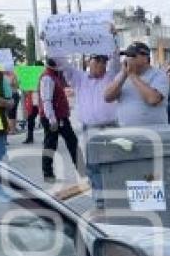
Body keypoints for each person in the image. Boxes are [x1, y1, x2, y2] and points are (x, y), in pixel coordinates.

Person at [52, 41, 121, 199]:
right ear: (88, 61)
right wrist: (51, 42)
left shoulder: (111, 76)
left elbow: (116, 59)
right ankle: (99, 199)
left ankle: (115, 197)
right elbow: (62, 63)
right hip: (89, 129)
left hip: (111, 127)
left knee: (113, 163)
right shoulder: (79, 78)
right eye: (96, 60)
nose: (100, 64)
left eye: (103, 61)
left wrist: (113, 37)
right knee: (93, 165)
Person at [103, 41, 168, 126]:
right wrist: (123, 76)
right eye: (127, 56)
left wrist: (132, 75)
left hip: (153, 132)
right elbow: (107, 97)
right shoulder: (122, 74)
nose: (128, 59)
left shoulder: (159, 75)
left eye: (132, 56)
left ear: (145, 58)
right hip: (127, 131)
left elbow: (153, 99)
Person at [39, 59, 80, 183]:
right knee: (52, 144)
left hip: (58, 117)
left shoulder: (53, 75)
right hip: (54, 117)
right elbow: (47, 100)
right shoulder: (48, 78)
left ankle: (82, 170)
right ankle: (47, 173)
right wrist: (52, 119)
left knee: (70, 142)